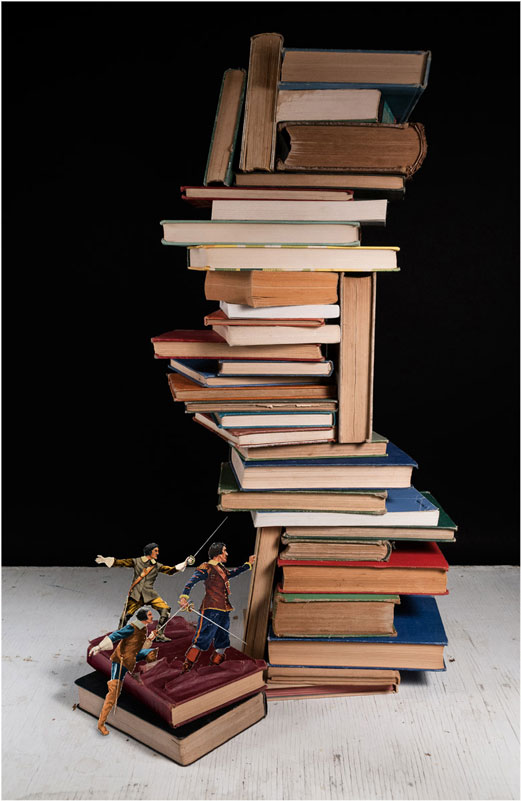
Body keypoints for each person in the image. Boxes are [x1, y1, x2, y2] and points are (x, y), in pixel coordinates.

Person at [178, 542, 255, 672]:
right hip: (211, 609)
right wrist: (183, 598)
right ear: (218, 554)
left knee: (222, 639)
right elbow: (191, 582)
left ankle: (214, 667)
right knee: (203, 638)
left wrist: (248, 564)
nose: (227, 554)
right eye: (224, 551)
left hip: (224, 609)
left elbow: (232, 573)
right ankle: (186, 666)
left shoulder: (221, 568)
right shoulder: (206, 567)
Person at [95, 542, 190, 641]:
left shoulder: (156, 565)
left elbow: (171, 570)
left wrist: (184, 563)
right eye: (155, 551)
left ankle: (159, 635)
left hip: (150, 594)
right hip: (136, 595)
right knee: (125, 616)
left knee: (165, 610)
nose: (157, 553)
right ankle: (119, 635)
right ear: (149, 552)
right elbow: (122, 562)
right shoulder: (137, 561)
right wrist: (106, 560)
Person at [88, 608, 158, 736]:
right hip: (120, 661)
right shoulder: (131, 628)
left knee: (151, 653)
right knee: (114, 692)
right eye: (150, 615)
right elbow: (116, 635)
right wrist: (99, 647)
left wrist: (150, 639)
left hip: (133, 657)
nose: (152, 616)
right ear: (143, 617)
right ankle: (101, 724)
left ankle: (147, 678)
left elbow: (138, 647)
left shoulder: (143, 628)